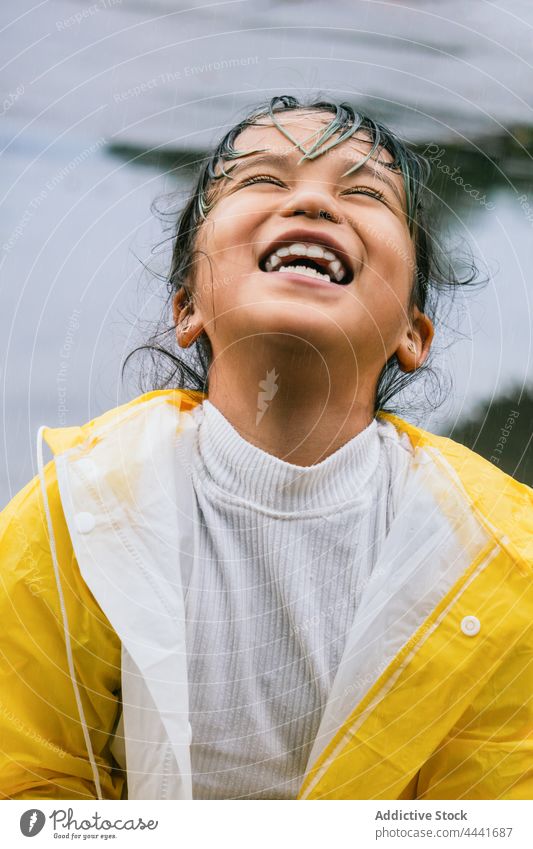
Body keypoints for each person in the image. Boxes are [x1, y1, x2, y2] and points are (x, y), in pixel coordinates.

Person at [1, 95, 532, 801]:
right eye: (261, 180)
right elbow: (28, 785)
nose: (311, 202)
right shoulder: (79, 516)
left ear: (413, 334)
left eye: (364, 191)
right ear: (186, 307)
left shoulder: (498, 557)